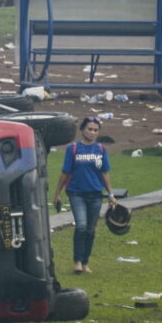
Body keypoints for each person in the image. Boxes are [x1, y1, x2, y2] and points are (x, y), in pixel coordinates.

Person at [53, 117, 117, 274]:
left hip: (96, 195)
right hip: (76, 194)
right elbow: (65, 172)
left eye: (95, 130)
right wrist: (57, 193)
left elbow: (105, 172)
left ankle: (85, 262)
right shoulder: (73, 149)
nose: (92, 132)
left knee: (91, 230)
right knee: (81, 226)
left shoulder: (101, 150)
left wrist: (110, 194)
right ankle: (78, 261)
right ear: (82, 130)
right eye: (89, 129)